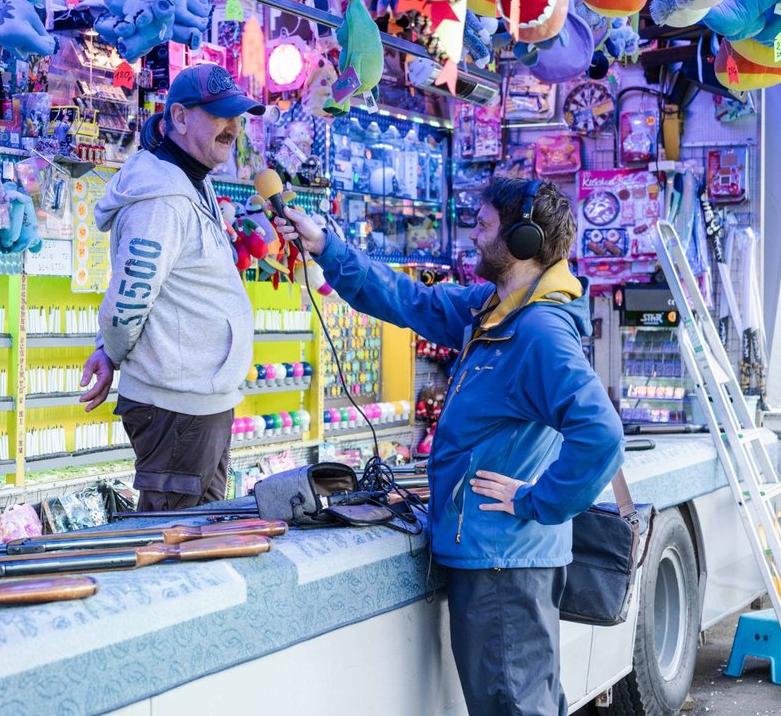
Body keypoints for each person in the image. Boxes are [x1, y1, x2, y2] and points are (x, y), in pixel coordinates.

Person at [276, 176, 623, 716]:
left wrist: (538, 501)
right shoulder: (494, 308)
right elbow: (409, 299)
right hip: (495, 558)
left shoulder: (538, 332)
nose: (473, 237)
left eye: (484, 227)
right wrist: (327, 247)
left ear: (524, 243)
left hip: (504, 563)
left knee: (513, 705)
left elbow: (601, 433)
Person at [79, 63, 264, 511]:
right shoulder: (162, 198)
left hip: (198, 402)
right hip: (179, 407)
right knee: (173, 542)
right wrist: (112, 349)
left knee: (198, 543)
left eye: (237, 117)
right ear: (179, 118)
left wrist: (109, 350)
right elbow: (129, 298)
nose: (233, 127)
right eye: (220, 115)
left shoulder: (188, 182)